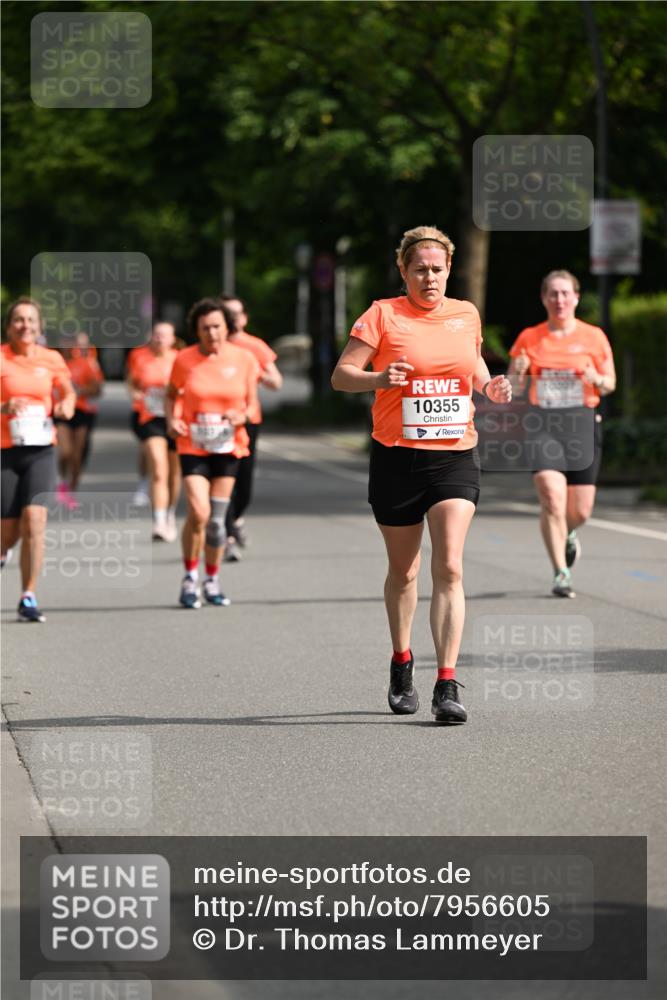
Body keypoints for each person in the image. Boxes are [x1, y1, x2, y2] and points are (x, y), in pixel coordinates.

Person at [331, 226, 511, 725]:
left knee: (450, 566)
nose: (429, 277)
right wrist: (377, 377)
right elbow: (341, 375)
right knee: (405, 571)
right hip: (397, 457)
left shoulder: (465, 314)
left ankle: (447, 683)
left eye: (437, 269)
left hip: (455, 452)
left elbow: (471, 363)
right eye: (419, 269)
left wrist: (489, 387)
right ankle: (401, 660)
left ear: (449, 269)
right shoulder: (382, 314)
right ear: (404, 271)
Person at [507, 270, 616, 598]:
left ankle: (567, 533)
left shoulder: (593, 336)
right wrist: (519, 371)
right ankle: (561, 572)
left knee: (580, 509)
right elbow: (512, 388)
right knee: (552, 497)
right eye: (553, 294)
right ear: (544, 299)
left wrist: (595, 377)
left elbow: (610, 383)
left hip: (582, 424)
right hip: (543, 425)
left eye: (565, 293)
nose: (559, 300)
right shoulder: (529, 337)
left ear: (577, 298)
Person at [165, 298, 258, 609]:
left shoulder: (244, 359)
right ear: (196, 331)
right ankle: (190, 576)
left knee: (217, 522)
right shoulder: (184, 359)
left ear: (226, 327)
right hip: (193, 445)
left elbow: (253, 405)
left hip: (228, 446)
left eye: (217, 326)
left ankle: (212, 579)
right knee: (199, 513)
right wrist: (172, 418)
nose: (212, 333)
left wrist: (240, 416)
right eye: (205, 328)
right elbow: (171, 395)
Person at [1, 297, 76, 622]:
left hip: (41, 449)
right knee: (8, 529)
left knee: (34, 521)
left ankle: (27, 596)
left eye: (31, 320)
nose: (25, 326)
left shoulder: (52, 358)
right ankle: (5, 549)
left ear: (39, 326)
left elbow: (68, 391)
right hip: (5, 449)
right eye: (19, 320)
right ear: (9, 326)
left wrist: (67, 405)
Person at [220, 295, 283, 561]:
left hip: (248, 420)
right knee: (223, 478)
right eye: (226, 313)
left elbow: (276, 382)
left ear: (244, 318)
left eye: (235, 313)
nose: (231, 319)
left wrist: (254, 371)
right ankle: (228, 534)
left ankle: (235, 520)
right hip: (216, 422)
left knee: (244, 482)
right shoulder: (212, 344)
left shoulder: (253, 346)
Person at [126, 321, 181, 541]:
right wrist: (135, 394)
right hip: (150, 418)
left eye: (164, 336)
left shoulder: (180, 359)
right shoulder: (139, 357)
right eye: (156, 335)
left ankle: (169, 513)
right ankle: (158, 522)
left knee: (174, 473)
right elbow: (132, 382)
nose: (159, 339)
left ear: (172, 339)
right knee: (159, 468)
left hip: (175, 420)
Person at [55, 331, 104, 508]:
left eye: (70, 342)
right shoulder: (55, 363)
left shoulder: (86, 363)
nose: (67, 346)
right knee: (65, 451)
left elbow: (98, 390)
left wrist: (79, 391)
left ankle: (71, 489)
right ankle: (61, 479)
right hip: (61, 413)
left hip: (82, 411)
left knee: (77, 455)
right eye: (63, 342)